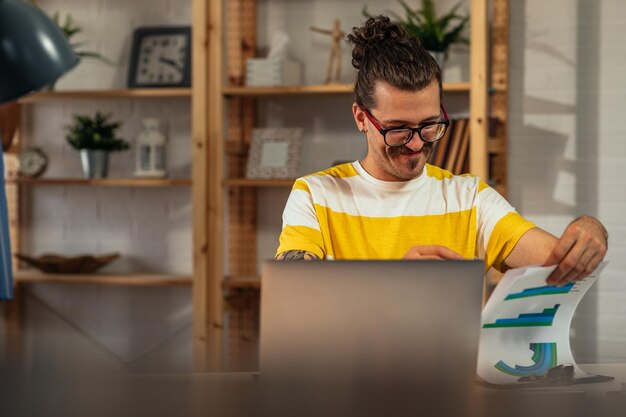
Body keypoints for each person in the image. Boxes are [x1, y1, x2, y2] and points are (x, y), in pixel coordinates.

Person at [275, 16, 608, 287]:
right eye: (398, 129)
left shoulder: (470, 199)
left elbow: (560, 261)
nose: (418, 143)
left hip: (452, 371)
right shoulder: (315, 196)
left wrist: (590, 232)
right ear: (362, 118)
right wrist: (395, 283)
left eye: (430, 125)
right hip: (347, 371)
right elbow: (297, 293)